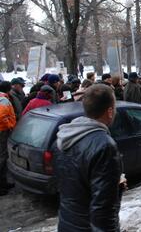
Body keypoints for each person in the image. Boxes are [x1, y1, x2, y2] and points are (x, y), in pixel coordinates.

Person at [54, 84, 124, 230]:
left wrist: (116, 186)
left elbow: (74, 185)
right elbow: (103, 209)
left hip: (67, 223)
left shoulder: (64, 137)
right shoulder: (105, 146)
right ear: (110, 111)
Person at [0, 81, 17, 196]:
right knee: (2, 157)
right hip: (2, 131)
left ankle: (3, 182)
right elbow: (1, 116)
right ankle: (1, 185)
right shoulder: (4, 100)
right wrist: (10, 126)